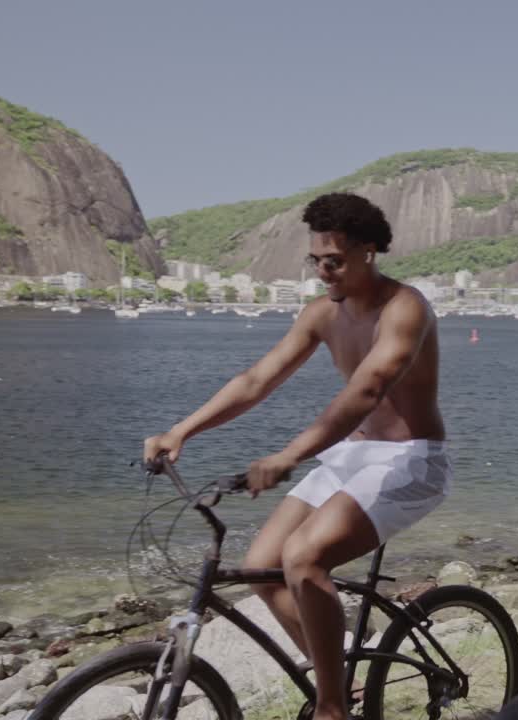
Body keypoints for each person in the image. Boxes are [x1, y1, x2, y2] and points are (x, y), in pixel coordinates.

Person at [143, 192, 449, 720]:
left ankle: (332, 708)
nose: (324, 272)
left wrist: (288, 455)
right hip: (354, 457)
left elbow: (368, 390)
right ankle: (341, 679)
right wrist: (182, 430)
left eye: (335, 261)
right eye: (316, 261)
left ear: (369, 251)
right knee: (263, 568)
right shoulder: (320, 315)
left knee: (303, 559)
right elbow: (258, 380)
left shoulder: (405, 307)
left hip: (411, 460)